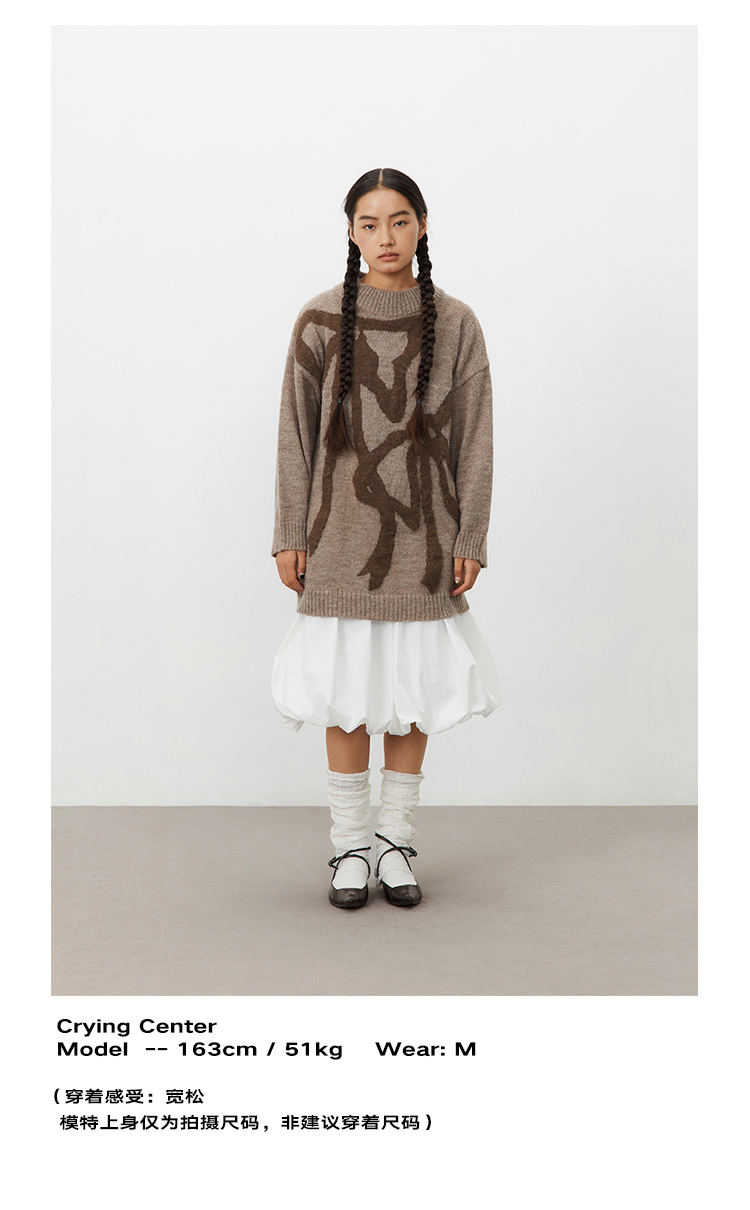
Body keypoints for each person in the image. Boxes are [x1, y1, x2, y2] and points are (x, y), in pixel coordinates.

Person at [271, 168, 501, 909]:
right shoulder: (318, 319)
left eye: (399, 220)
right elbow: (294, 434)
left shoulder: (457, 322)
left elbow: (475, 436)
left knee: (412, 691)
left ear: (423, 225)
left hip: (428, 539)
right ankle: (348, 848)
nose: (386, 237)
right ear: (350, 233)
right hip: (336, 537)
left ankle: (396, 844)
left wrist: (471, 532)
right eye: (369, 224)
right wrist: (289, 532)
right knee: (348, 697)